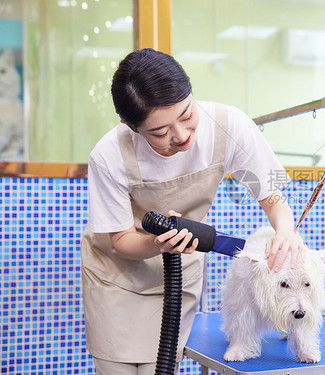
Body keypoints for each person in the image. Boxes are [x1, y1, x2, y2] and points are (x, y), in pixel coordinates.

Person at [81, 48, 305, 374]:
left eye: (187, 115)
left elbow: (273, 198)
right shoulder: (108, 154)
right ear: (129, 126)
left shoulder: (231, 125)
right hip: (116, 278)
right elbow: (121, 240)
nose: (182, 136)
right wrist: (156, 244)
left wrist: (285, 230)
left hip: (178, 274)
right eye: (159, 133)